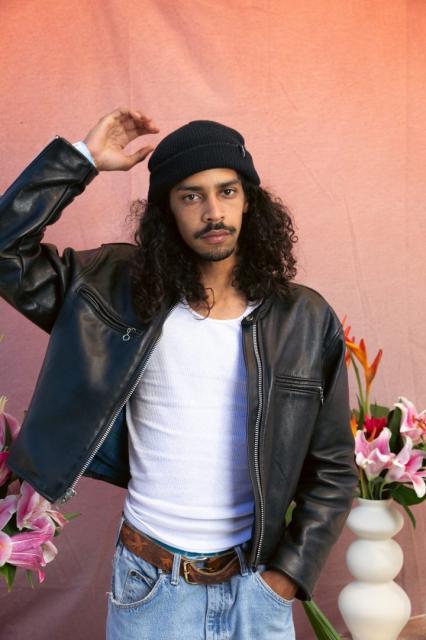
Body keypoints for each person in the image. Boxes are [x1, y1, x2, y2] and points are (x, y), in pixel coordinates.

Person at [1, 108, 358, 639]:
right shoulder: (113, 290)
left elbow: (333, 468)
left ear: (249, 200)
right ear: (166, 211)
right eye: (191, 196)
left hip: (257, 590)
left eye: (227, 192)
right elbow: (5, 252)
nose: (214, 212)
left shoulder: (304, 318)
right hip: (151, 588)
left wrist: (285, 578)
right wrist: (81, 160)